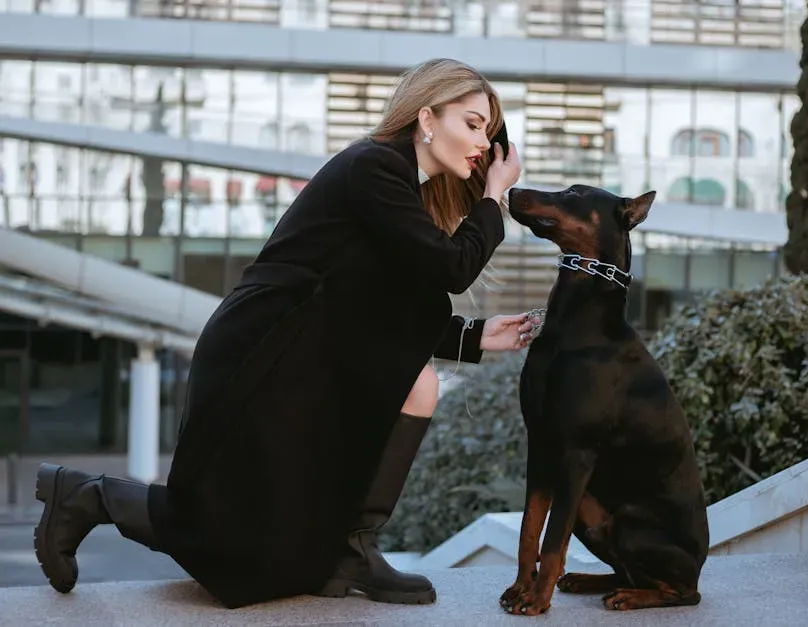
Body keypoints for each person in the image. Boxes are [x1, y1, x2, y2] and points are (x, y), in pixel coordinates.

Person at [33, 58, 536, 609]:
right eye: (472, 124)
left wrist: (472, 338)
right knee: (231, 537)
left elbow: (386, 304)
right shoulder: (374, 168)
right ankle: (86, 496)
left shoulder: (395, 187)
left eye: (488, 134)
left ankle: (352, 547)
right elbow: (450, 268)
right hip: (263, 352)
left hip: (295, 351)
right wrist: (493, 199)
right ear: (426, 118)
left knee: (288, 549)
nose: (482, 146)